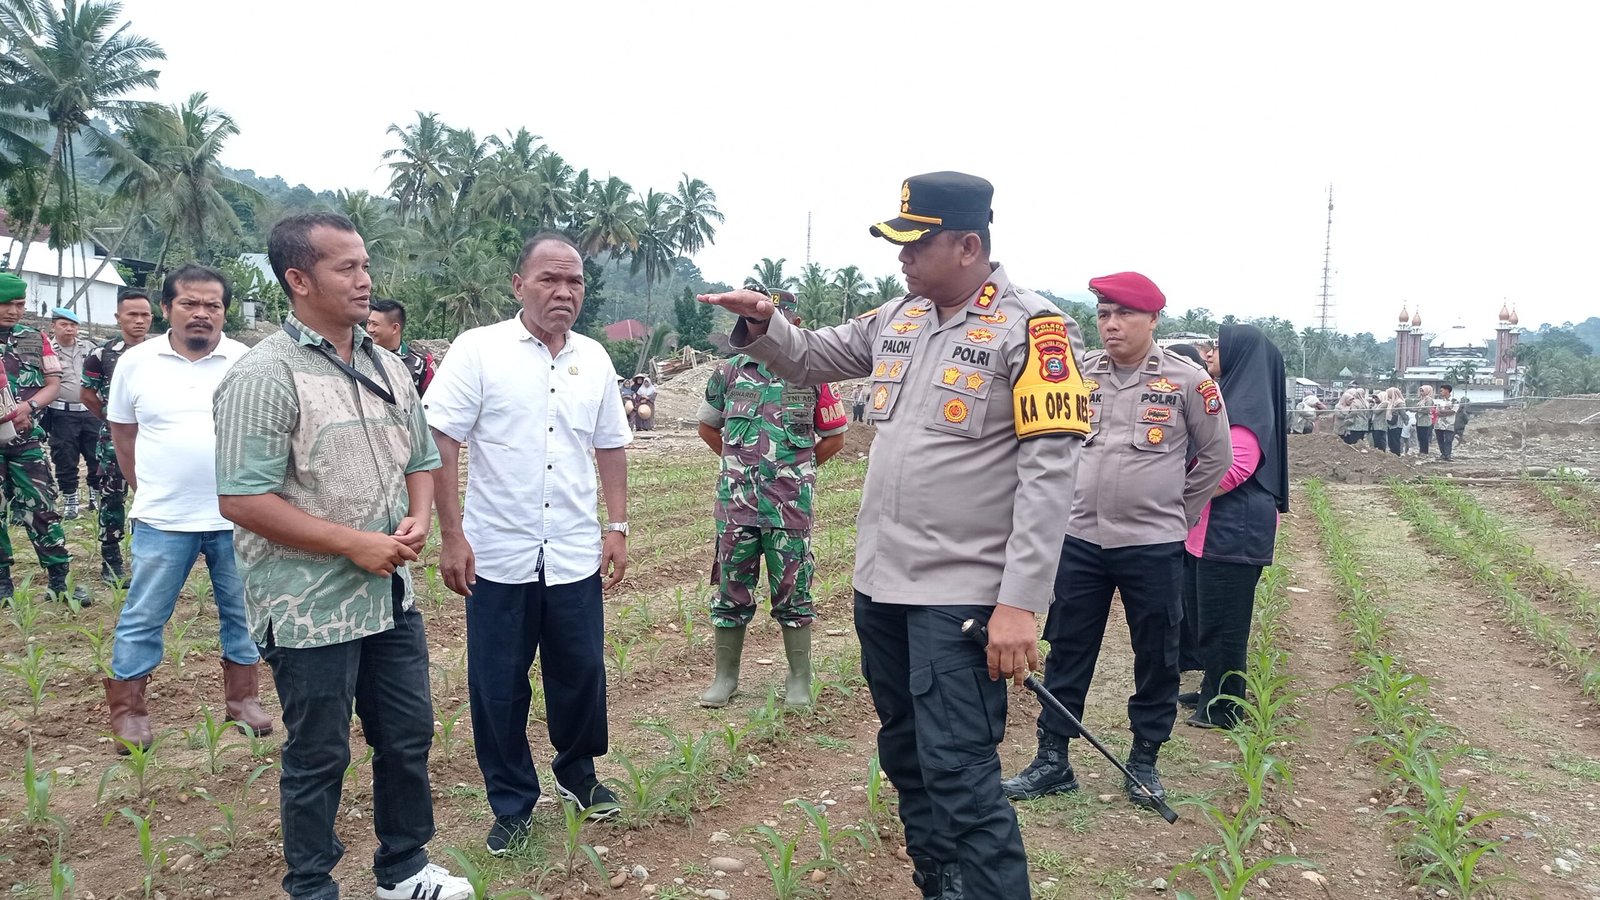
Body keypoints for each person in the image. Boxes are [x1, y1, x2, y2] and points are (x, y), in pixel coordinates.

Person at [701, 171, 1089, 899]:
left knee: (961, 773)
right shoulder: (901, 317)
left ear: (969, 245)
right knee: (908, 758)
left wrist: (1020, 604)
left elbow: (1050, 477)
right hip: (883, 588)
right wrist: (763, 321)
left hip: (963, 595)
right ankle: (939, 886)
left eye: (917, 243)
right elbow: (812, 356)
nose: (901, 258)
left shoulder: (1034, 331)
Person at [213, 214, 471, 900]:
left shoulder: (387, 364)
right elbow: (241, 498)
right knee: (318, 753)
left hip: (389, 596)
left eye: (365, 265)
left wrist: (418, 513)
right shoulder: (265, 375)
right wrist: (353, 543)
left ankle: (405, 868)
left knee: (408, 737)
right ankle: (311, 885)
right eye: (346, 268)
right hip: (307, 608)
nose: (365, 280)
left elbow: (420, 456)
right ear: (299, 280)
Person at [426, 231, 631, 856]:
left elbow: (610, 445)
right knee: (498, 683)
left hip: (571, 549)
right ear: (519, 286)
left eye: (574, 282)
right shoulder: (478, 350)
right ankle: (511, 802)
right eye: (549, 279)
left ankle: (578, 775)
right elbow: (442, 442)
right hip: (496, 553)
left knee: (581, 673)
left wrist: (616, 526)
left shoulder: (594, 358)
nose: (563, 292)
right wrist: (452, 535)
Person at [1004, 271, 1231, 811]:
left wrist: (1176, 513)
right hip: (1079, 537)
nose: (1111, 325)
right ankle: (1052, 758)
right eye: (1104, 315)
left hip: (1151, 544)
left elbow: (1216, 458)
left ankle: (1145, 759)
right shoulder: (1078, 375)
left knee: (1156, 653)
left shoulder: (1188, 382)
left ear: (1153, 319)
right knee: (1067, 650)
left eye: (1124, 314)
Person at [102, 264, 269, 751]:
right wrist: (147, 489)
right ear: (166, 309)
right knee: (144, 613)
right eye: (189, 304)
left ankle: (243, 702)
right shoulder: (137, 362)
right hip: (163, 517)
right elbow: (123, 432)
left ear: (224, 311)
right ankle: (130, 710)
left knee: (241, 611)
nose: (201, 314)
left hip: (236, 516)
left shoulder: (245, 361)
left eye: (212, 305)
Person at [696, 289, 848, 709]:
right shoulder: (728, 372)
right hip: (736, 505)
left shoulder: (812, 375)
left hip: (790, 506)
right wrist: (739, 466)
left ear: (791, 324)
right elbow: (710, 429)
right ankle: (725, 679)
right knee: (730, 592)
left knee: (794, 594)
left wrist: (797, 471)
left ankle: (799, 680)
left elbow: (834, 436)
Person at [1181, 325, 1288, 729]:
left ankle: (1224, 707)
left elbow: (1233, 468)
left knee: (1225, 623)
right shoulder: (1234, 396)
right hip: (1214, 529)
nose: (1209, 353)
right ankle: (1213, 688)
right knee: (1206, 618)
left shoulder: (1246, 405)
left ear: (1239, 355)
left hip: (1233, 533)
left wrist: (1180, 492)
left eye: (1218, 347)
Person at [0, 273, 87, 605]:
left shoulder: (35, 339)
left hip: (26, 439)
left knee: (41, 507)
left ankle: (58, 580)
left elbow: (52, 382)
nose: (13, 311)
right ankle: (3, 584)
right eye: (6, 304)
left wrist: (30, 405)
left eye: (19, 304)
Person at [82, 289, 153, 583]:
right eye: (132, 315)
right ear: (118, 318)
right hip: (114, 442)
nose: (139, 321)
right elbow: (87, 395)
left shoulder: (162, 352)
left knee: (150, 498)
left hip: (154, 439)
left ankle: (147, 556)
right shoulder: (102, 355)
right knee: (113, 498)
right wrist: (114, 422)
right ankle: (111, 562)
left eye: (145, 315)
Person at [45, 306, 99, 519]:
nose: (69, 329)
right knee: (65, 457)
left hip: (90, 411)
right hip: (61, 413)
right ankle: (70, 499)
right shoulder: (47, 350)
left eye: (73, 325)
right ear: (54, 326)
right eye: (64, 324)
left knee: (96, 455)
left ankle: (96, 495)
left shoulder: (89, 347)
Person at [364, 297, 434, 395]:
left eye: (375, 324)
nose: (369, 329)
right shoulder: (360, 356)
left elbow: (431, 401)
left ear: (395, 328)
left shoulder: (420, 363)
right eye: (368, 323)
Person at [1434, 383, 1459, 460]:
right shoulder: (1439, 401)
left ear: (1447, 391)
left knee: (1448, 440)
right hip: (1439, 423)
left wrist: (1442, 411)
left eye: (1442, 390)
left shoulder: (1455, 401)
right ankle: (1443, 454)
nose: (1440, 392)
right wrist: (1445, 411)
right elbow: (1436, 412)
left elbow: (1453, 411)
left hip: (1449, 424)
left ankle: (1448, 454)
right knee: (1440, 440)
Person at [1379, 387, 1406, 456]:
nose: (1388, 395)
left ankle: (1396, 454)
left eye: (1389, 394)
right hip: (1391, 424)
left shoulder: (1400, 402)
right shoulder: (1391, 402)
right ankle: (1392, 454)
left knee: (1395, 440)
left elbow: (1403, 414)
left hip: (1397, 424)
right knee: (1391, 440)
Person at [1414, 384, 1436, 455]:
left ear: (1427, 391)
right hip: (1419, 420)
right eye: (1420, 391)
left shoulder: (1429, 400)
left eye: (1422, 391)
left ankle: (1424, 452)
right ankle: (1421, 450)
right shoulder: (1422, 400)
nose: (1421, 392)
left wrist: (1417, 410)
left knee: (1424, 437)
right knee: (1420, 436)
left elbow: (1427, 410)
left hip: (1425, 421)